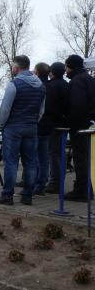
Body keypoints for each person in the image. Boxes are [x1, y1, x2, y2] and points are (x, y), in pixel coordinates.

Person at [0, 55, 45, 206]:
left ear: (17, 67)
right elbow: (41, 111)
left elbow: (5, 110)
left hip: (13, 128)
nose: (13, 67)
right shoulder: (40, 85)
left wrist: (1, 126)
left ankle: (7, 195)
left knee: (11, 162)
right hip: (32, 127)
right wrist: (33, 122)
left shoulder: (14, 84)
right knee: (30, 162)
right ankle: (27, 196)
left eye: (14, 65)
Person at [64, 55, 95, 201]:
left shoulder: (77, 81)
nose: (65, 70)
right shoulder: (89, 79)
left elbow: (77, 105)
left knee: (80, 159)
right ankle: (88, 188)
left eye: (66, 67)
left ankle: (82, 190)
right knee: (88, 158)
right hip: (89, 124)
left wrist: (71, 123)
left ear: (72, 66)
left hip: (80, 127)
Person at [44, 62, 70, 194]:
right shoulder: (67, 85)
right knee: (60, 153)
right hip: (64, 124)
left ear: (51, 72)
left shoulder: (50, 86)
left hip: (53, 124)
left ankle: (54, 183)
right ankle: (59, 181)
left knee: (53, 154)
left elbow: (48, 107)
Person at [32, 62, 55, 195]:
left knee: (33, 158)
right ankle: (41, 184)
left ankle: (34, 184)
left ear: (37, 72)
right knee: (44, 158)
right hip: (48, 126)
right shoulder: (52, 86)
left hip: (37, 125)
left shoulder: (37, 86)